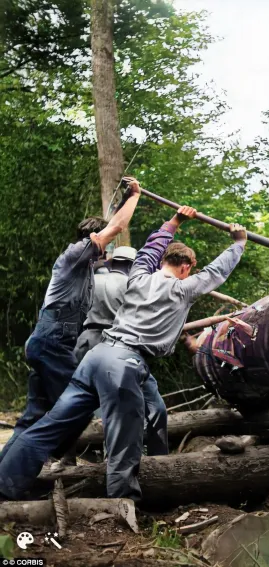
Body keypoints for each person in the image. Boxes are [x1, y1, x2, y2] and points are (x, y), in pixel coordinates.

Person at [0, 206, 247, 502]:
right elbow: (216, 271)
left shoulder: (139, 275)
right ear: (186, 267)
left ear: (161, 261)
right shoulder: (184, 289)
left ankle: (5, 485)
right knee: (124, 440)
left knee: (51, 425)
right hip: (124, 364)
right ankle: (121, 503)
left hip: (96, 357)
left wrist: (174, 222)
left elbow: (150, 249)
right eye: (191, 270)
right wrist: (238, 243)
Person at [0, 178, 142, 466]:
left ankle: (7, 471)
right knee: (78, 405)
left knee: (33, 416)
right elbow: (117, 226)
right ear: (95, 240)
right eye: (106, 243)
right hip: (51, 342)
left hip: (50, 342)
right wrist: (136, 196)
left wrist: (123, 198)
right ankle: (53, 455)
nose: (109, 249)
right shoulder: (76, 253)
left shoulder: (87, 265)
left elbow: (111, 222)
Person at [74, 246, 169, 456]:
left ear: (113, 262)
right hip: (117, 347)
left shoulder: (90, 280)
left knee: (83, 401)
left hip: (84, 343)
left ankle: (76, 454)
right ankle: (153, 458)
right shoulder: (133, 284)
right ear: (132, 265)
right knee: (141, 407)